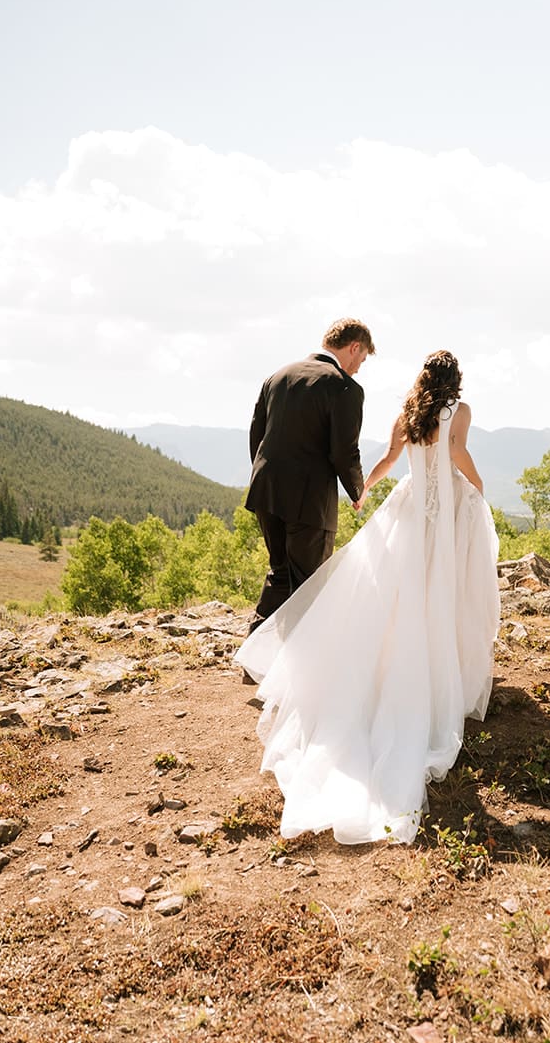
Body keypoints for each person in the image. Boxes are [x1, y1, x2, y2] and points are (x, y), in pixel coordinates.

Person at [235, 351, 499, 844]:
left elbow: (387, 461)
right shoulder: (458, 411)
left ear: (423, 378)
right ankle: (442, 672)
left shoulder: (409, 413)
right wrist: (479, 488)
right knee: (444, 590)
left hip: (410, 509)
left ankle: (396, 663)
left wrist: (363, 492)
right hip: (441, 519)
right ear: (455, 380)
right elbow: (458, 453)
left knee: (397, 596)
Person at [244, 318, 375, 640]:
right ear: (353, 347)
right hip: (308, 498)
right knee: (309, 582)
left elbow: (256, 435)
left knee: (280, 572)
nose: (359, 367)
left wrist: (266, 477)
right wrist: (357, 490)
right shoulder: (345, 387)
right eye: (362, 358)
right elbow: (344, 451)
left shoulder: (277, 376)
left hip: (266, 490)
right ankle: (299, 670)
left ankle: (255, 658)